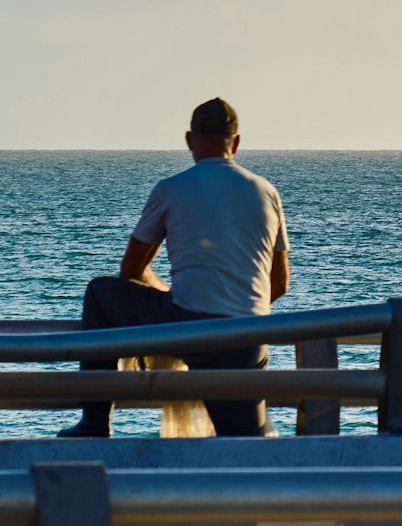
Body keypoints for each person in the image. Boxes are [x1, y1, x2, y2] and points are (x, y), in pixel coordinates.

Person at [60, 98, 291, 438]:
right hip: (248, 339)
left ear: (189, 140)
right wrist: (232, 311)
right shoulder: (265, 191)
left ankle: (94, 423)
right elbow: (280, 283)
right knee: (247, 443)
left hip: (190, 327)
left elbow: (132, 270)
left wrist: (171, 294)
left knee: (100, 292)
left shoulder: (171, 189)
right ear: (237, 142)